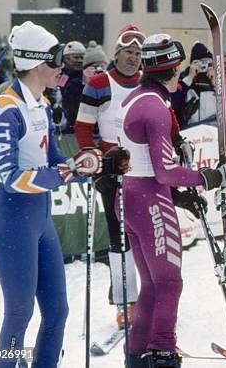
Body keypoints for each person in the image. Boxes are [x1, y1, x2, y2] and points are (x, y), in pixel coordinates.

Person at [0, 21, 102, 367]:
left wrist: (79, 165)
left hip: (40, 218)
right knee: (19, 315)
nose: (61, 68)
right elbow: (10, 177)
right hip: (12, 220)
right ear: (36, 63)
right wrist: (62, 174)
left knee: (57, 311)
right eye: (55, 61)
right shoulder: (5, 109)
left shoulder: (42, 104)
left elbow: (54, 160)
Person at [117, 34, 226, 368]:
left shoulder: (135, 98)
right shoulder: (154, 106)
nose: (179, 78)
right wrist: (208, 178)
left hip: (129, 196)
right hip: (148, 198)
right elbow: (166, 171)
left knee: (153, 286)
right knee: (169, 282)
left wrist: (180, 193)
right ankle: (162, 352)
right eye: (177, 70)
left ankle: (138, 356)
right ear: (170, 70)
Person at [74, 24, 145, 328]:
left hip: (144, 171)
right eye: (128, 52)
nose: (133, 58)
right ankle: (124, 301)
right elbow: (82, 126)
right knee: (119, 237)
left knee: (144, 237)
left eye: (138, 53)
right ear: (117, 53)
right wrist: (93, 157)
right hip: (111, 170)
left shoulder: (147, 83)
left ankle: (148, 297)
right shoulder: (100, 83)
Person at [62, 41, 109, 132]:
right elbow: (72, 112)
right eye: (76, 57)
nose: (79, 60)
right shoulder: (70, 82)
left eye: (102, 67)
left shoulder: (109, 85)